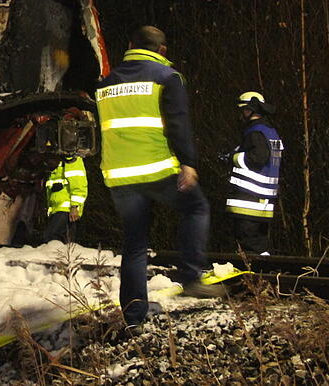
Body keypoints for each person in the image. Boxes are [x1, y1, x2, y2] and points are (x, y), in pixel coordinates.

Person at [95, 25, 223, 333]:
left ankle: (134, 317)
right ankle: (191, 277)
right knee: (196, 208)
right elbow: (178, 124)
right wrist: (188, 163)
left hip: (119, 174)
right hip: (157, 168)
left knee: (135, 242)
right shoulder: (167, 78)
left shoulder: (105, 83)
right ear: (162, 50)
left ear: (129, 45)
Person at [225, 91, 283, 255]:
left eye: (242, 110)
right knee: (258, 244)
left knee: (249, 244)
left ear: (250, 110)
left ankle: (256, 275)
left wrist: (233, 157)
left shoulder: (255, 132)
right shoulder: (269, 131)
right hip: (262, 201)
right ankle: (262, 275)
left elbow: (257, 158)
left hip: (249, 200)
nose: (240, 115)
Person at [43, 155, 88, 243]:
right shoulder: (56, 161)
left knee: (51, 238)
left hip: (66, 209)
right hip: (58, 209)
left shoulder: (71, 159)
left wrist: (74, 206)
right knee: (61, 240)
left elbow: (79, 184)